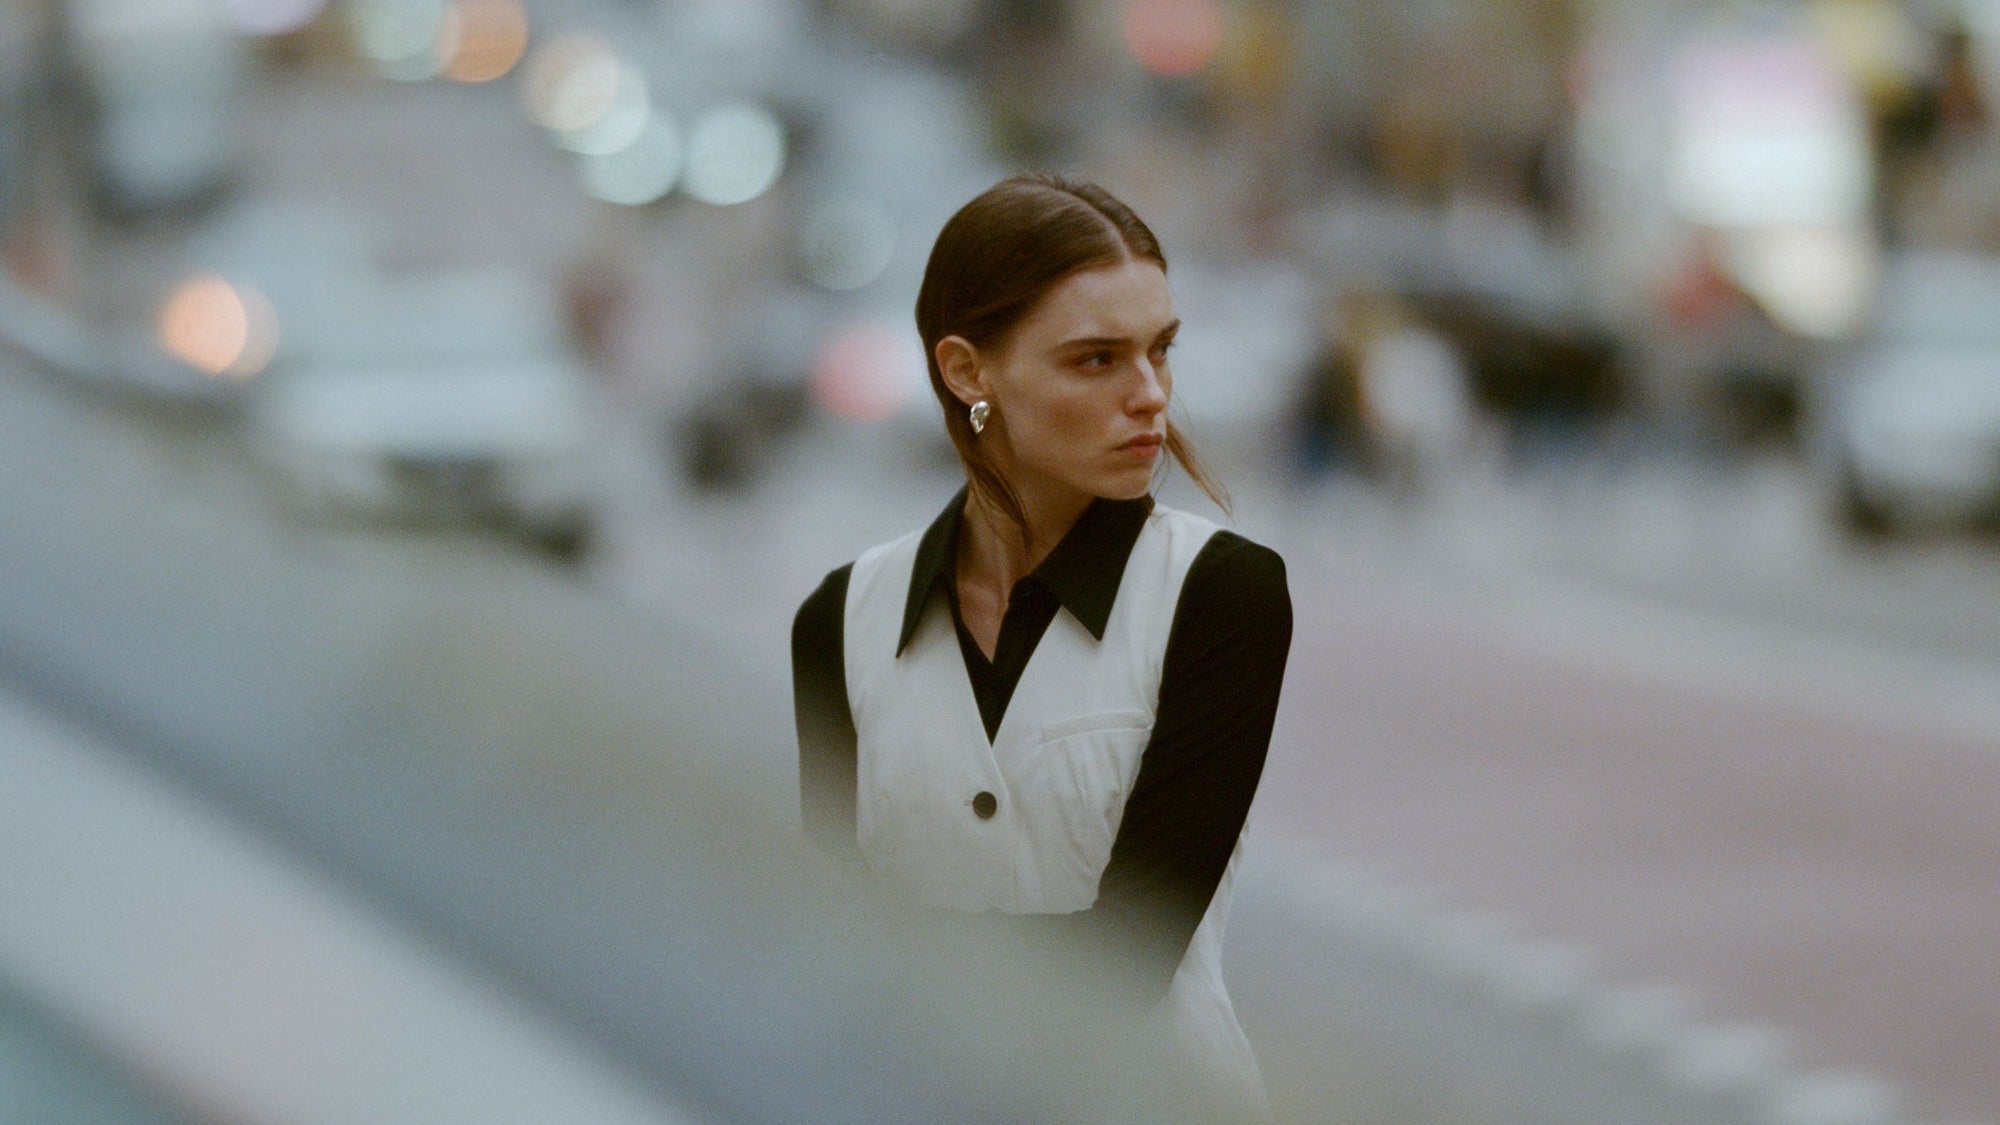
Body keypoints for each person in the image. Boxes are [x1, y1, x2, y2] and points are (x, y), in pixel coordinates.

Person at [791, 173, 1291, 1121]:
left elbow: (1128, 949)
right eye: (1096, 360)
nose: (1151, 396)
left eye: (1160, 351)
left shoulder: (1220, 594)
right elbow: (828, 935)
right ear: (968, 371)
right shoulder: (841, 620)